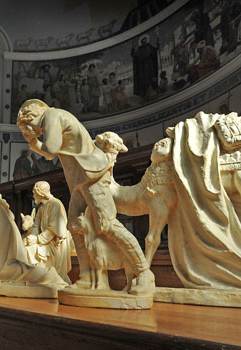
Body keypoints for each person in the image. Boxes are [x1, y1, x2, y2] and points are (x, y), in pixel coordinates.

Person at [16, 99, 154, 296]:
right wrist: (32, 140)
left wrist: (31, 139)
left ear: (29, 118)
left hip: (92, 173)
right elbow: (50, 152)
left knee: (106, 224)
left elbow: (50, 150)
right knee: (74, 225)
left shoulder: (52, 116)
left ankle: (143, 273)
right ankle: (87, 276)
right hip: (82, 178)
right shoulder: (53, 118)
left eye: (24, 127)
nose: (26, 130)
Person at [24, 181, 72, 283]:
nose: (33, 196)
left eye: (34, 193)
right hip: (45, 242)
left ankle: (41, 278)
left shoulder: (55, 204)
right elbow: (36, 225)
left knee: (29, 251)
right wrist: (31, 237)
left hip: (55, 244)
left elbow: (54, 229)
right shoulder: (41, 208)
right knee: (26, 248)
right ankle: (34, 278)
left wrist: (37, 239)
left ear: (40, 193)